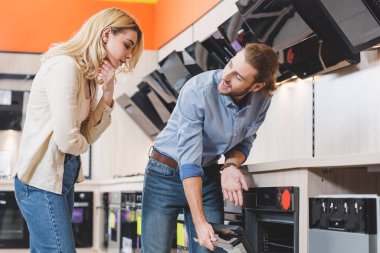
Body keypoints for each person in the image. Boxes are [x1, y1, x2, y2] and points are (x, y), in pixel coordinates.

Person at [12, 8, 143, 252]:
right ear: (106, 35)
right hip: (41, 180)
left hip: (63, 176)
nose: (128, 55)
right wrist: (80, 141)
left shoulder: (88, 79)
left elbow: (88, 135)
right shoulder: (65, 68)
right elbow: (67, 141)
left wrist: (108, 94)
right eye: (127, 45)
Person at [141, 43, 279, 253]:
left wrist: (231, 165)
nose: (227, 76)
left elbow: (245, 140)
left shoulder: (261, 100)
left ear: (256, 86)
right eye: (230, 64)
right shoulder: (197, 90)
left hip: (207, 175)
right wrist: (199, 223)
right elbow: (189, 162)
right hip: (164, 174)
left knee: (210, 249)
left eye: (238, 77)